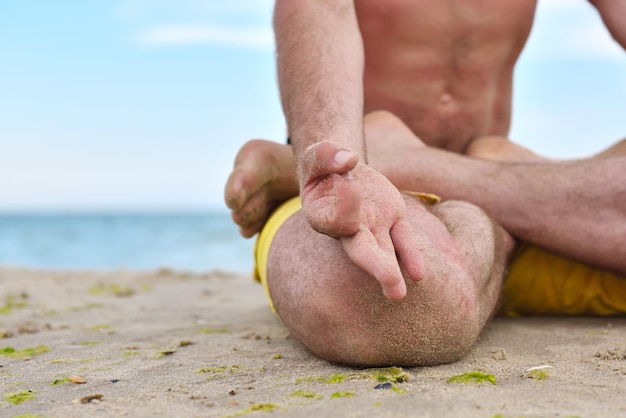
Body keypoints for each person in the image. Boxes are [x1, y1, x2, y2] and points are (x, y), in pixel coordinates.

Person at [224, 0, 626, 366]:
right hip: (355, 177)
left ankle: (406, 160)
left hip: (510, 210)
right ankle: (490, 189)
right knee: (384, 307)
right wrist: (338, 165)